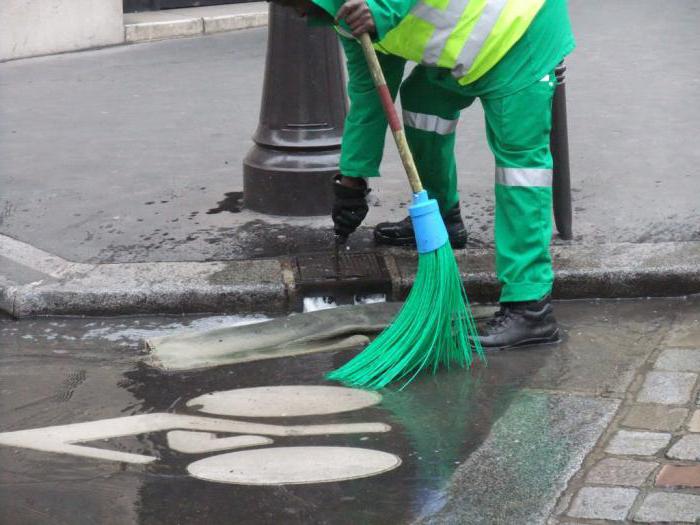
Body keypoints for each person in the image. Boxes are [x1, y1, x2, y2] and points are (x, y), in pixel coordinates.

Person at [275, 0, 575, 349]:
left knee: (520, 172)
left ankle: (530, 308)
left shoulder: (367, 8)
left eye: (289, 2)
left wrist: (383, 9)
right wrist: (351, 180)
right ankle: (444, 219)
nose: (294, 14)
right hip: (469, 44)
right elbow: (371, 90)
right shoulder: (347, 17)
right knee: (424, 104)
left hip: (521, 31)